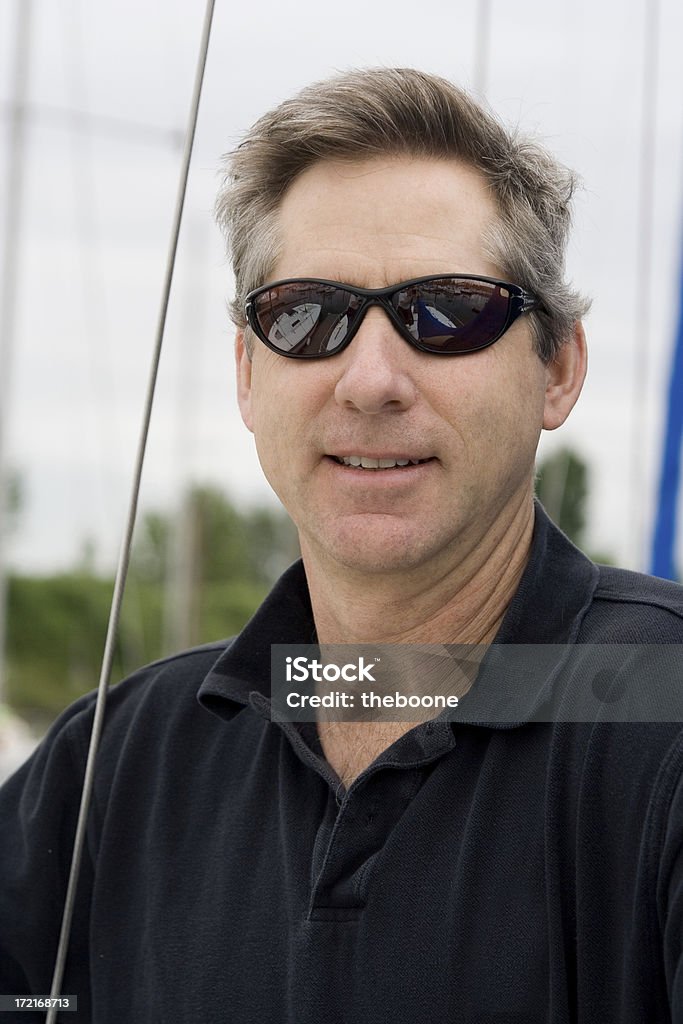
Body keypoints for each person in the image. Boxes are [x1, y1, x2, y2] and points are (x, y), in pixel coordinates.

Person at [2, 67, 683, 1024]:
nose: (369, 381)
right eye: (304, 315)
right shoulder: (116, 768)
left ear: (558, 368)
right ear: (247, 372)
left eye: (446, 312)